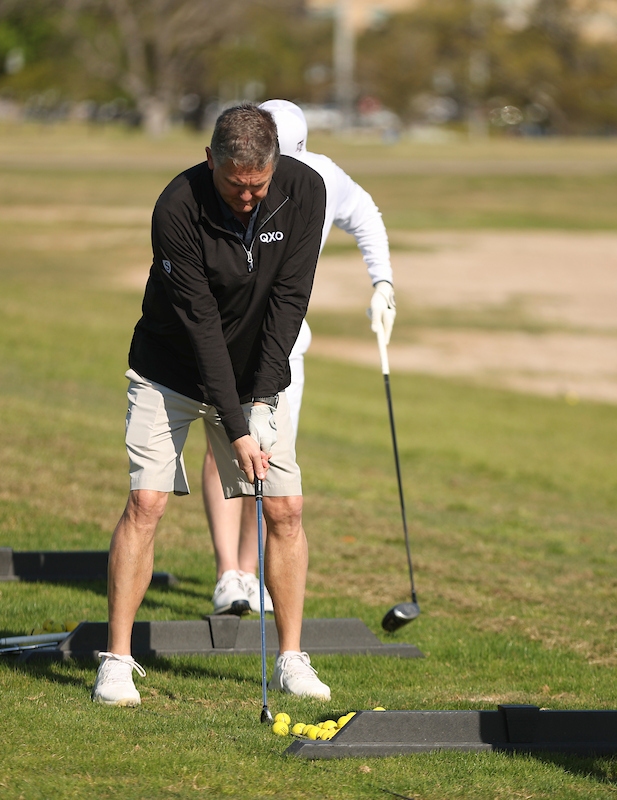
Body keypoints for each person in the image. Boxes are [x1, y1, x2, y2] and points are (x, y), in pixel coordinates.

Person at [91, 103, 332, 706]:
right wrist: (237, 427)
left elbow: (290, 302)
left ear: (276, 165)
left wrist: (261, 401)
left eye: (258, 186)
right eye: (234, 185)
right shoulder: (176, 206)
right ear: (209, 160)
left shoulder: (305, 191)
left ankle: (292, 660)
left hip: (254, 376)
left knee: (286, 509)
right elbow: (201, 328)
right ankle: (116, 662)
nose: (246, 199)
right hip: (168, 371)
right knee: (146, 502)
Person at [201, 99, 396, 616]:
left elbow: (366, 216)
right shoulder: (233, 181)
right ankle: (228, 573)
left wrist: (383, 283)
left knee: (266, 456)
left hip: (286, 345)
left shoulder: (320, 177)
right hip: (224, 338)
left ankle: (250, 574)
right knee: (225, 446)